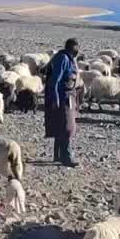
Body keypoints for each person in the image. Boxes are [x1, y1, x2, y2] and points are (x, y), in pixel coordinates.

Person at [44, 38, 80, 166]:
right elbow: (55, 80)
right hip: (63, 97)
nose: (78, 51)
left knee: (61, 125)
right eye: (76, 48)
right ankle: (66, 157)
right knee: (67, 127)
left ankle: (57, 155)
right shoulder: (63, 59)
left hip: (68, 96)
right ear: (72, 48)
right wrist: (56, 99)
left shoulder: (67, 58)